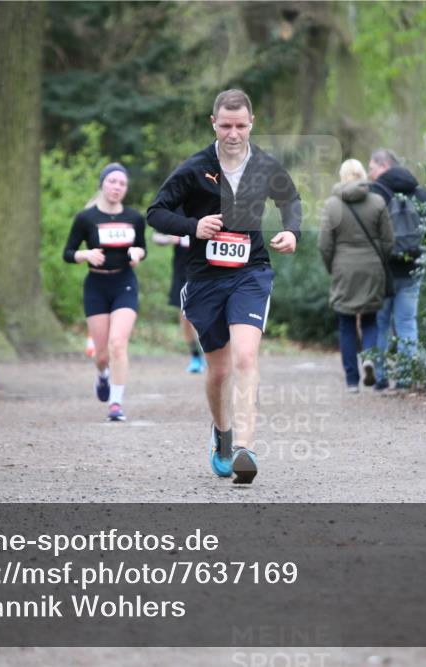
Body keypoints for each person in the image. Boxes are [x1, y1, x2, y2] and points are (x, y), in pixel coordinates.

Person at [147, 88, 301, 485]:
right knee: (218, 372)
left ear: (252, 125)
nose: (234, 133)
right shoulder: (195, 168)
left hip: (251, 272)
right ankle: (223, 435)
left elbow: (290, 199)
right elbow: (156, 213)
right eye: (226, 125)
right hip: (204, 279)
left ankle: (246, 449)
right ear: (213, 124)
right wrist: (192, 226)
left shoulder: (265, 166)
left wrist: (291, 231)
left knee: (245, 357)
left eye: (241, 126)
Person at [63, 163, 147, 422]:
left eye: (122, 183)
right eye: (112, 181)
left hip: (124, 284)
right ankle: (102, 376)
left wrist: (137, 253)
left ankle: (116, 404)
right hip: (96, 287)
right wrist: (85, 254)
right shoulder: (86, 218)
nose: (117, 187)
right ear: (103, 184)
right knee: (102, 356)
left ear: (126, 189)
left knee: (118, 344)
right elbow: (68, 253)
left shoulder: (134, 218)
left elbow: (142, 247)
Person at [319, 159, 394, 392]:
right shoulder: (378, 201)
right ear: (363, 174)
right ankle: (369, 358)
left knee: (346, 322)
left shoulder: (332, 205)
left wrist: (332, 266)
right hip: (372, 267)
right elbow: (389, 240)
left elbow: (324, 244)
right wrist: (378, 259)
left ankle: (352, 381)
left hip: (343, 267)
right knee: (371, 319)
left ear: (342, 176)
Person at [367, 148, 426, 391]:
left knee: (381, 323)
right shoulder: (420, 193)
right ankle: (405, 378)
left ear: (384, 166)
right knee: (407, 323)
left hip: (383, 271)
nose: (369, 172)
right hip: (413, 268)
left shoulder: (375, 195)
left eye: (372, 167)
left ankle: (381, 378)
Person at [151, 230, 206, 373]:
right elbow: (156, 237)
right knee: (186, 317)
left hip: (208, 271)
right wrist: (170, 238)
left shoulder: (213, 209)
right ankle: (195, 356)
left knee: (209, 316)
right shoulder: (176, 210)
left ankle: (211, 351)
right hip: (183, 273)